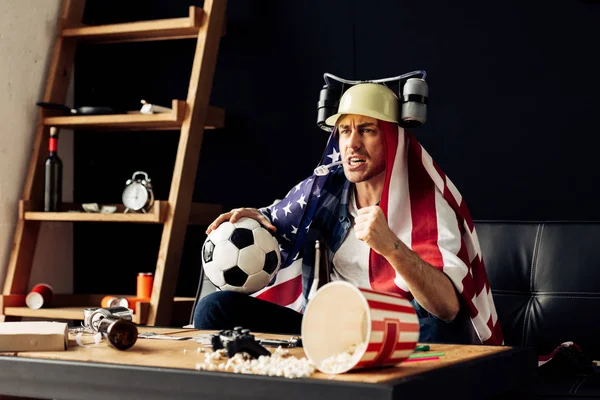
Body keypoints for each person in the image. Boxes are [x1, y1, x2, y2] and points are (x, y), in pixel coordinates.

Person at [194, 81, 503, 345]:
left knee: (437, 323)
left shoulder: (429, 205)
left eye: (366, 130)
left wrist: (392, 247)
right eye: (344, 131)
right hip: (331, 329)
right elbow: (281, 220)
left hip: (396, 334)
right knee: (215, 309)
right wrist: (256, 219)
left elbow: (448, 309)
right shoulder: (326, 192)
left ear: (393, 139)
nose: (352, 144)